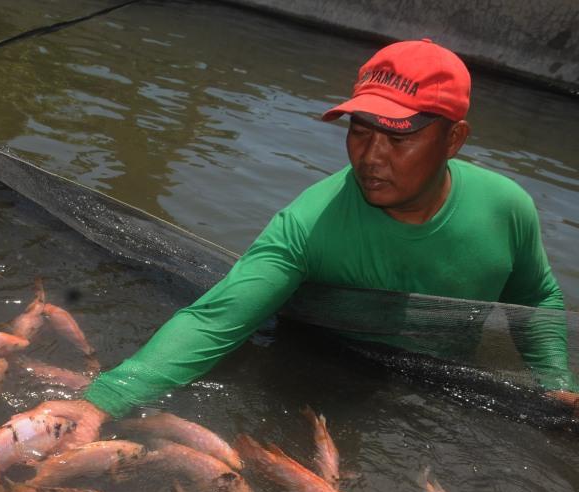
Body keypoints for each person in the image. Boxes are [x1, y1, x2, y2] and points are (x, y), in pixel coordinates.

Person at [66, 37, 577, 428]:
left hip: (443, 393)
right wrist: (100, 403)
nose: (370, 157)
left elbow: (537, 297)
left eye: (399, 138)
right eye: (360, 130)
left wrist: (555, 387)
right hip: (324, 386)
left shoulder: (507, 209)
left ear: (454, 140)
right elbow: (214, 319)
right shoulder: (310, 223)